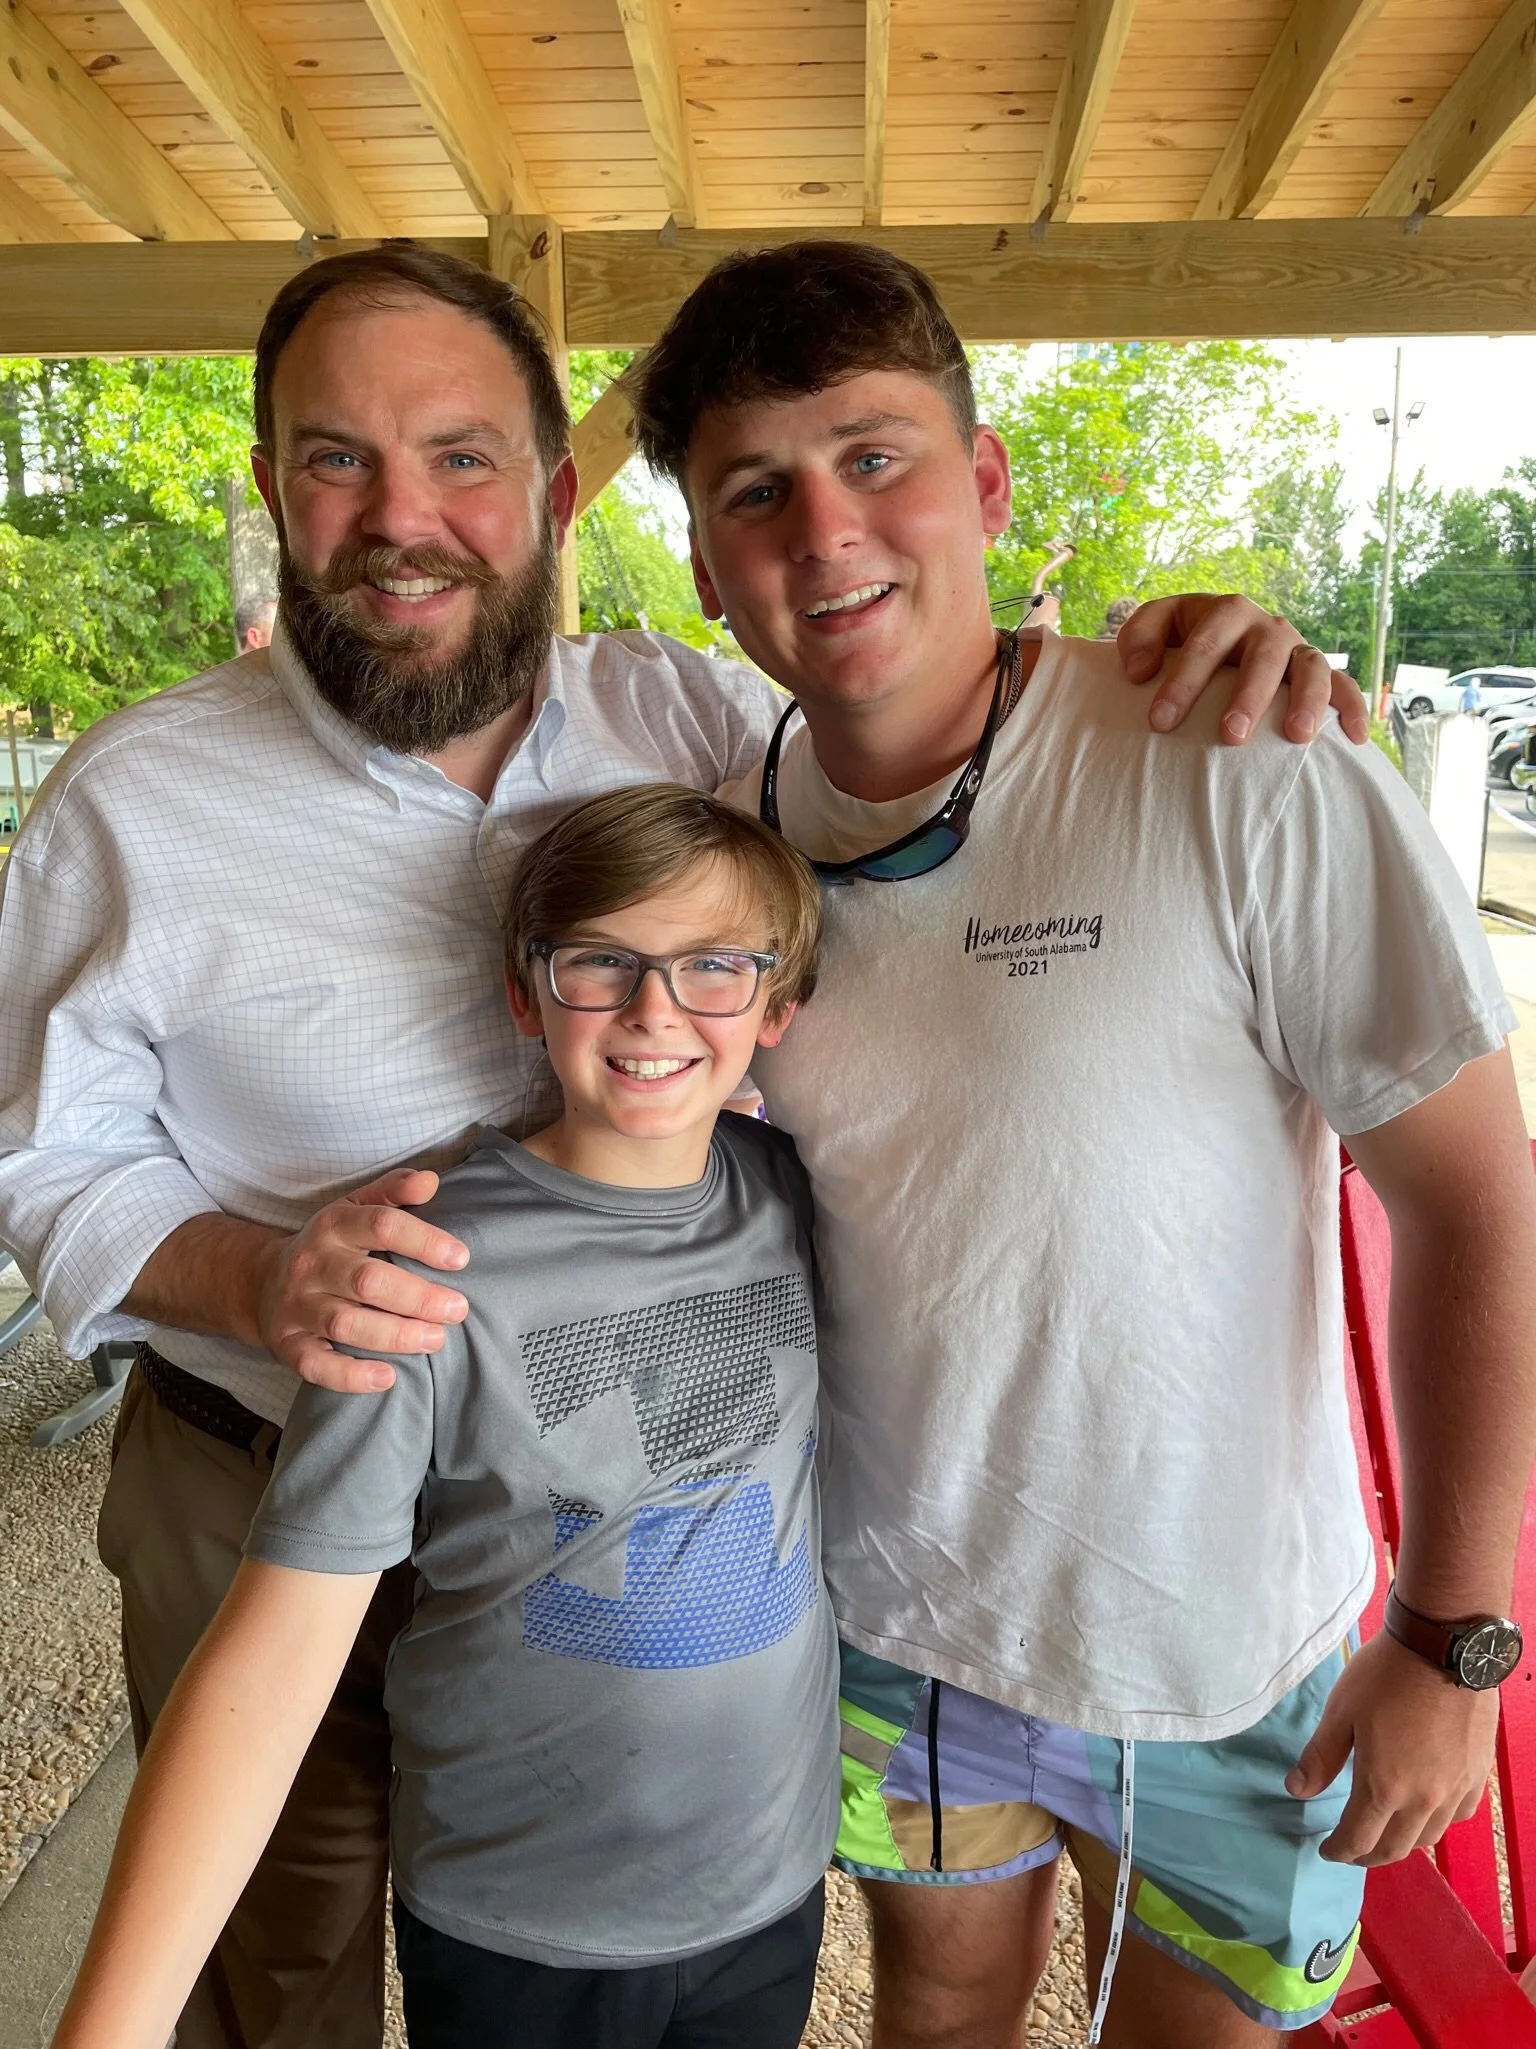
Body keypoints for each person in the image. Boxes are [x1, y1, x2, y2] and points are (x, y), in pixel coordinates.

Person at [0, 239, 1365, 2049]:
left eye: (464, 456)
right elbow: (41, 1157)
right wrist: (269, 1274)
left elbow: (927, 740)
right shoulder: (138, 795)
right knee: (279, 1954)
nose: (403, 515)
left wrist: (1152, 659)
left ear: (555, 491)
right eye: (336, 457)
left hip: (635, 1465)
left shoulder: (702, 721)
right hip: (267, 1442)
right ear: (269, 486)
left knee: (621, 1901)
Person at [621, 240, 1536, 2048]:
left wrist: (1453, 1635)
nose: (825, 527)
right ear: (710, 562)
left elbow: (1474, 1195)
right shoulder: (724, 859)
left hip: (1231, 1653)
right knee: (932, 2020)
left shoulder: (1233, 752)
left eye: (875, 454)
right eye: (755, 489)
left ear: (984, 481)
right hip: (900, 1619)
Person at [52, 783, 836, 2049]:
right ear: (527, 997)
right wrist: (113, 2023)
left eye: (714, 967)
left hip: (766, 1890)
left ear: (778, 1003)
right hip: (520, 1924)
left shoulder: (797, 1197)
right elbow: (272, 1663)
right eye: (603, 964)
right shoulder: (421, 1267)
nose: (655, 1011)